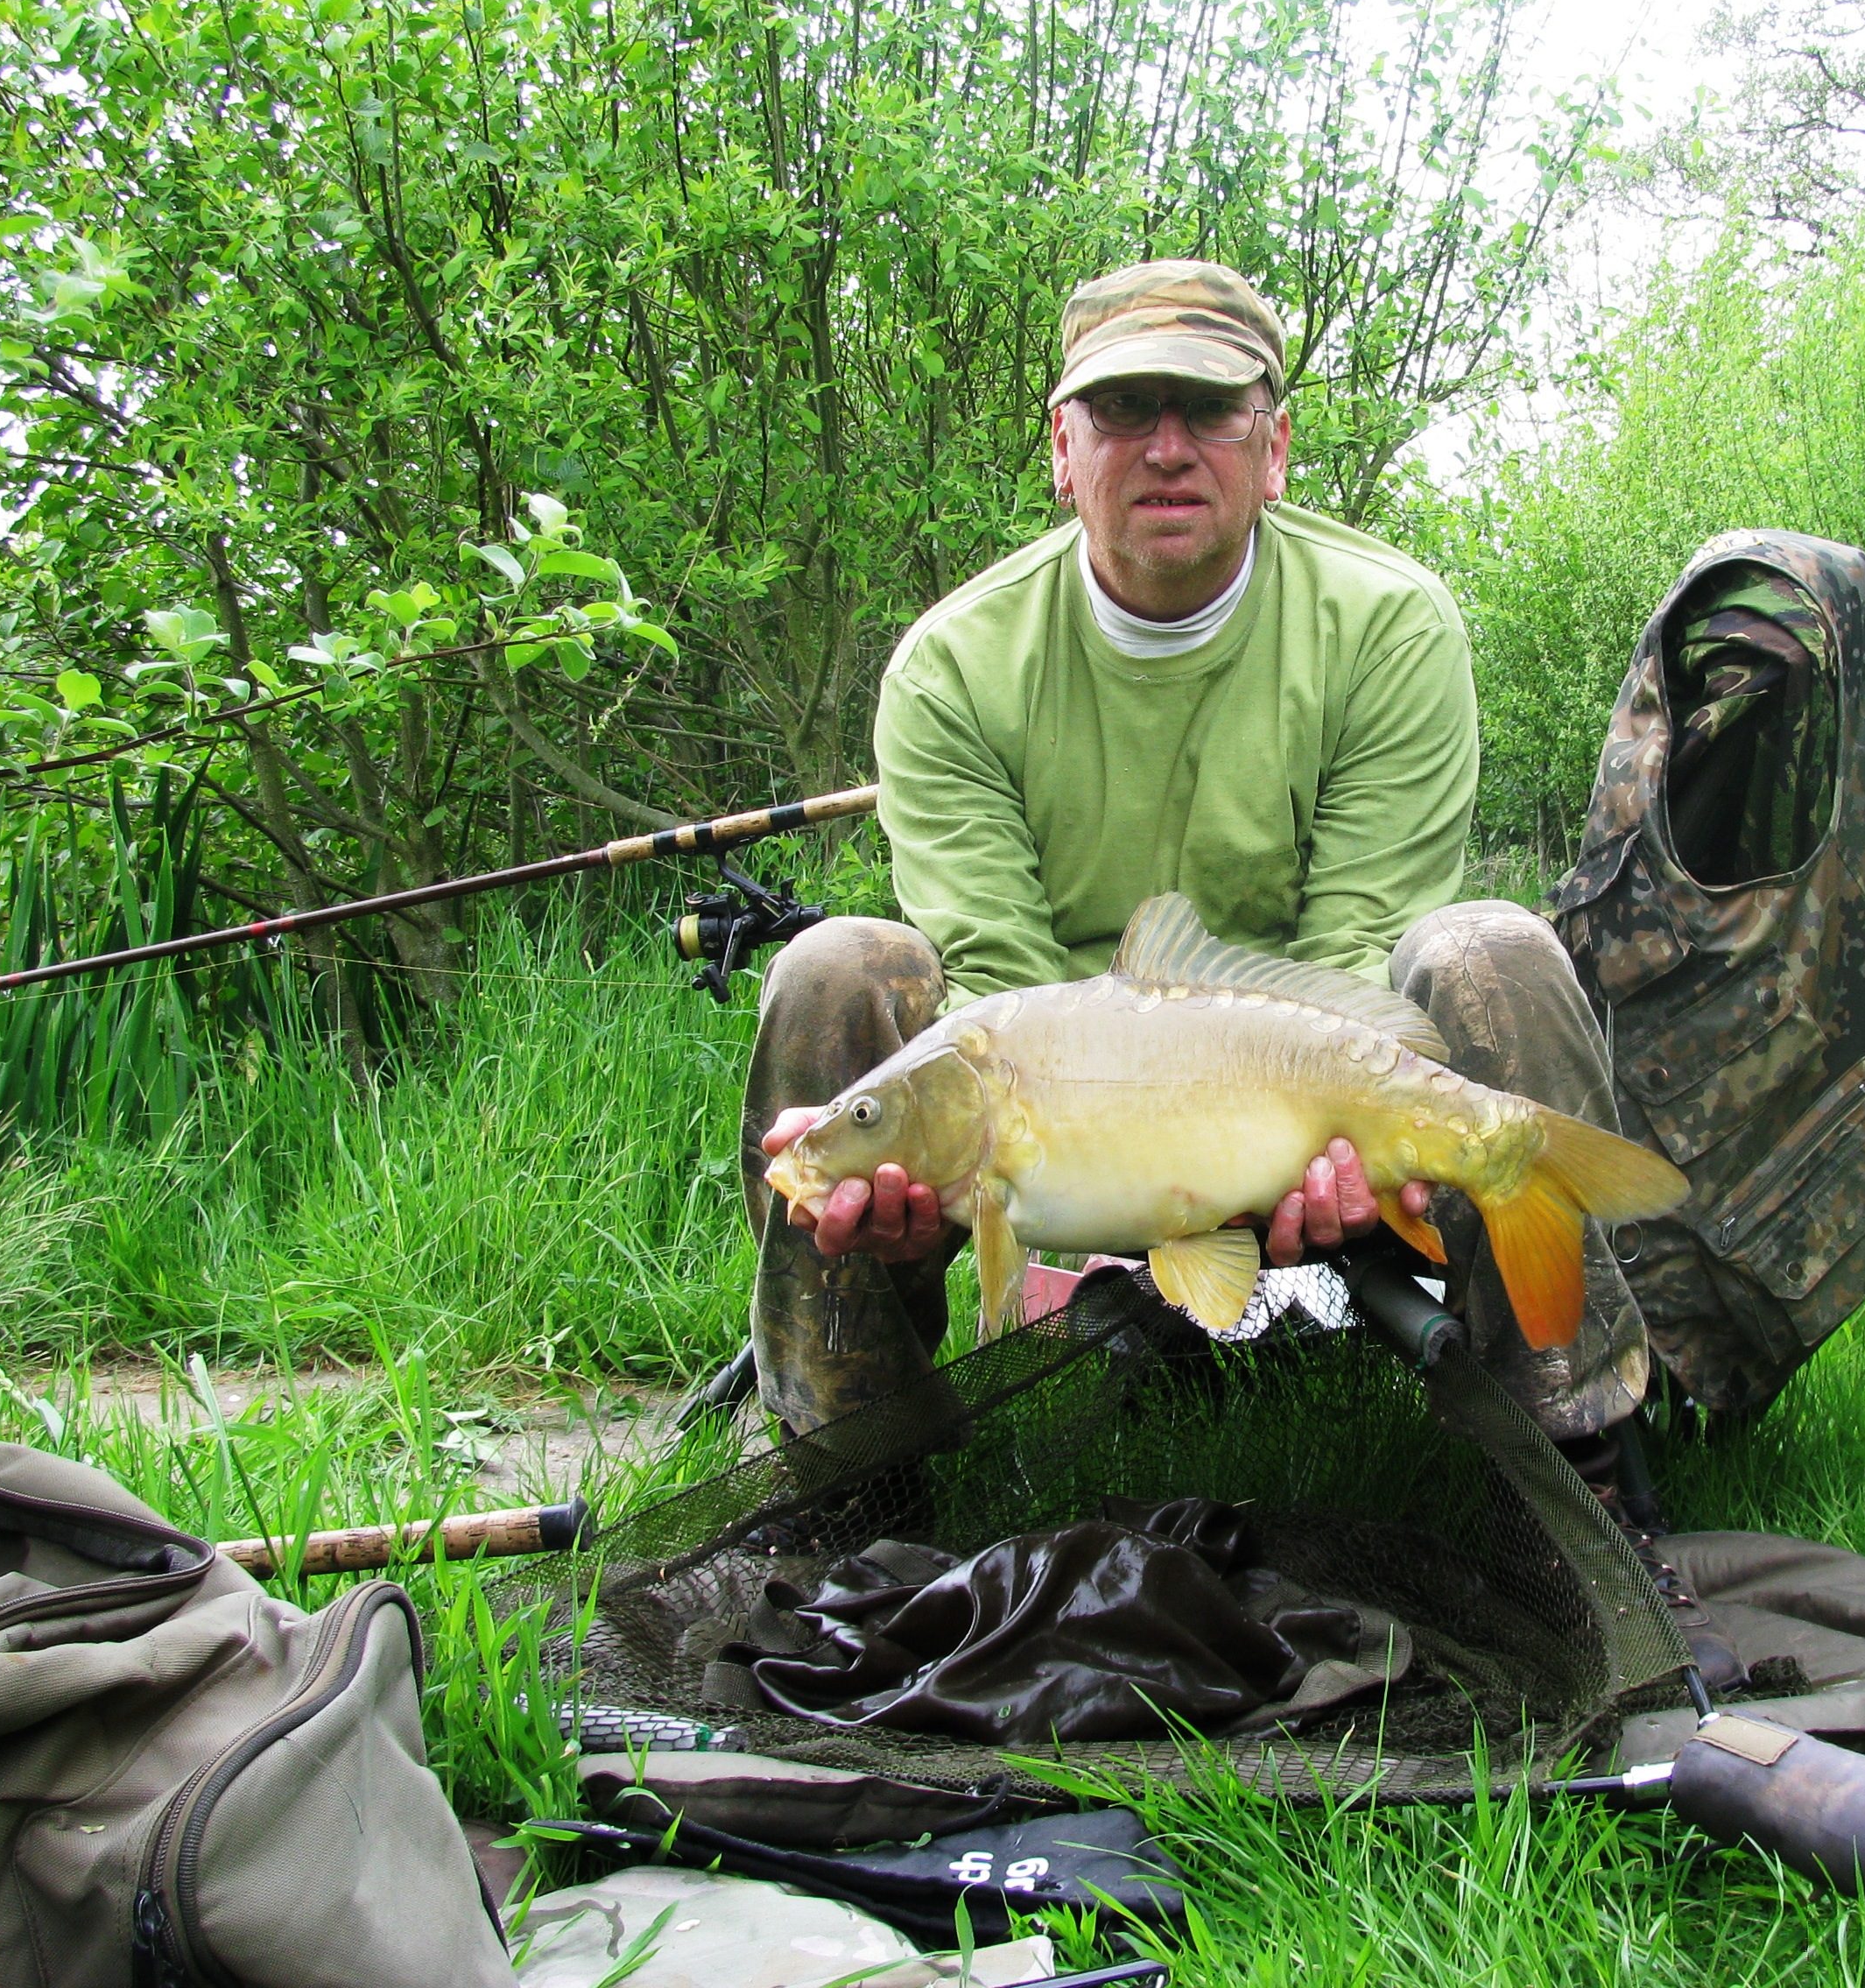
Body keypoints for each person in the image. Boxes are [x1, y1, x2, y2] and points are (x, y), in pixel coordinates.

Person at [736, 258, 1738, 1682]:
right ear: (1062, 447)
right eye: (1125, 409)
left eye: (1205, 411)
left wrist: (1303, 1164)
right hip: (1068, 1090)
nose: (1165, 447)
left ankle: (1584, 1466)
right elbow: (1008, 1004)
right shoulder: (954, 664)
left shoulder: (1388, 622)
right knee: (839, 969)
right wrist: (994, 1200)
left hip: (1292, 1091)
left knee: (1490, 953)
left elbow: (1357, 972)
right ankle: (854, 1480)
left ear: (1273, 444)